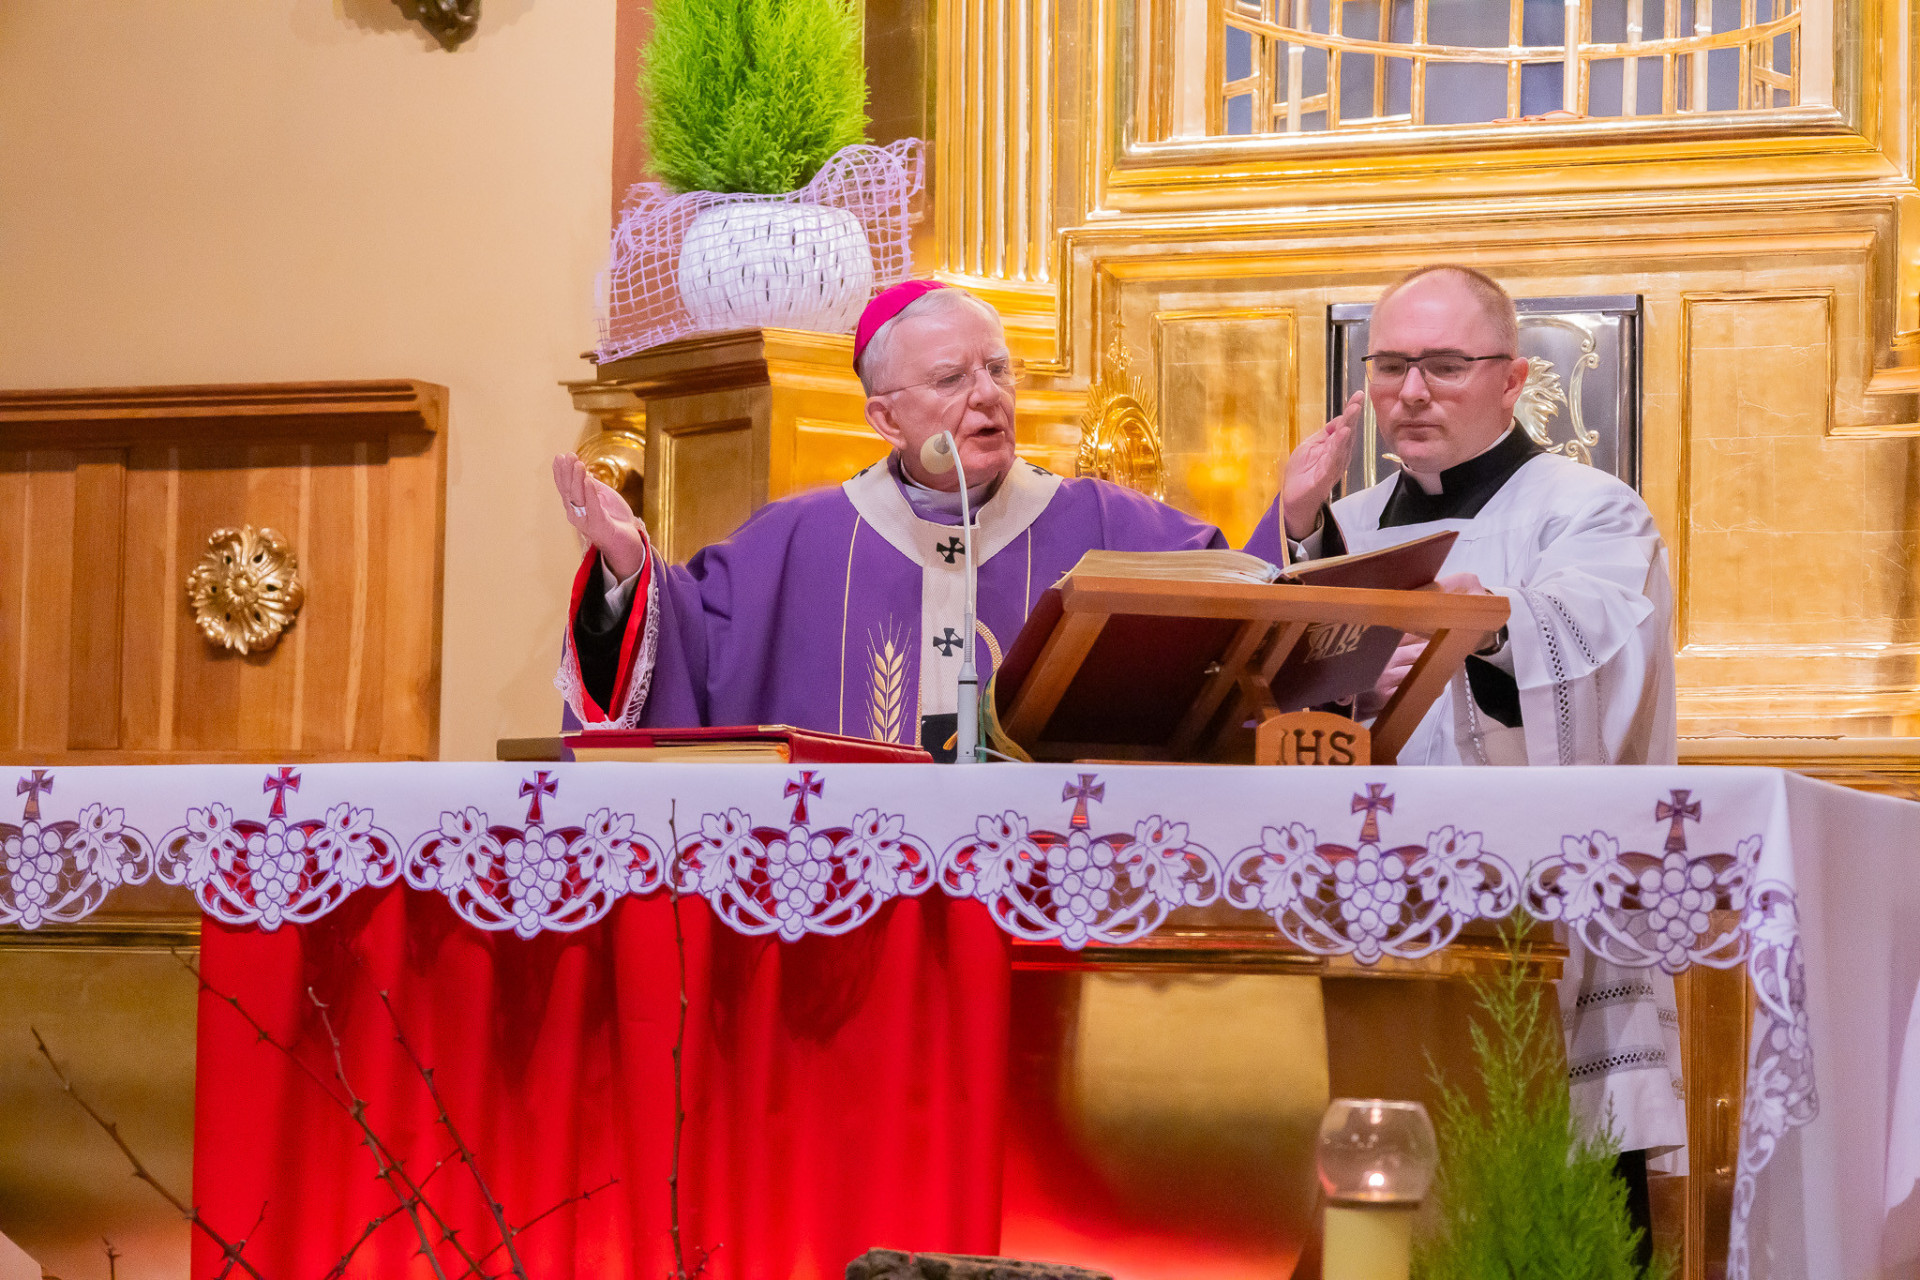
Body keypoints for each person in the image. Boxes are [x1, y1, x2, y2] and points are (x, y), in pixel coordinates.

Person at [1245, 264, 1687, 1234]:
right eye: (1391, 365)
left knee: (1553, 1214)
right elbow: (1290, 701)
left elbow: (1604, 664)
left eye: (1444, 366)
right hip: (1377, 921)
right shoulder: (1352, 524)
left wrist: (1485, 625)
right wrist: (1301, 535)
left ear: (1512, 378)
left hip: (1543, 926)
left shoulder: (1588, 507)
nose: (1411, 391)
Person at [552, 280, 1225, 758]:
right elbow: (687, 642)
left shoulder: (1106, 528)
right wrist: (626, 565)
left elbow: (1246, 608)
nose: (987, 395)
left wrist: (1286, 512)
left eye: (998, 370)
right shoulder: (797, 543)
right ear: (886, 418)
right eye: (951, 379)